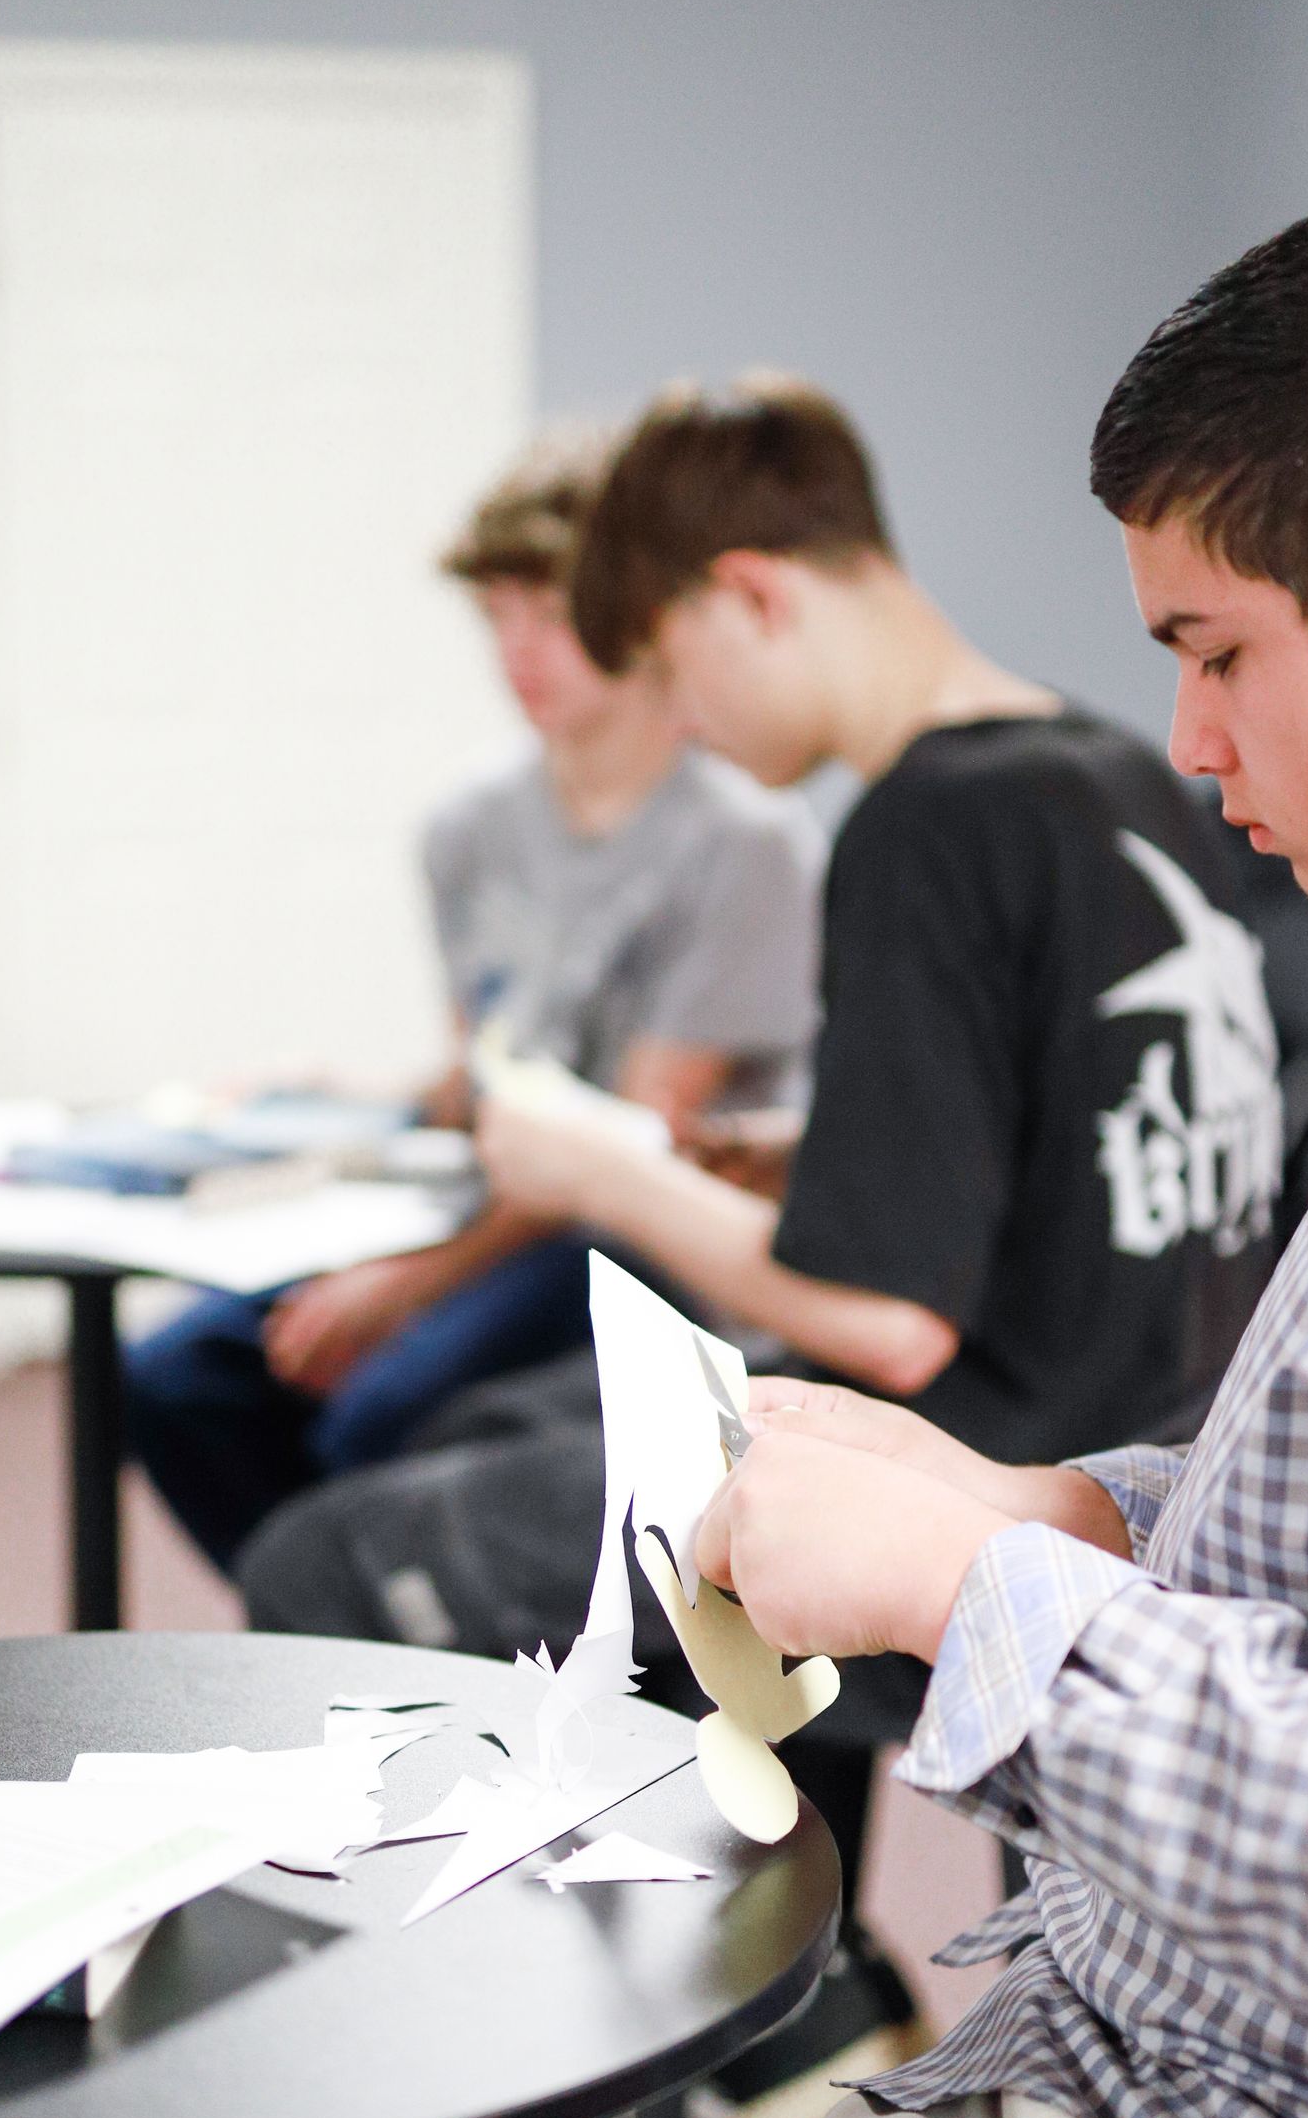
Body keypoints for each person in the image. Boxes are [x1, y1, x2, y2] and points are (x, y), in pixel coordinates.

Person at [261, 202, 1308, 2118]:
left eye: (1219, 653)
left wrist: (989, 1582)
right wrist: (1056, 1494)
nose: (1187, 738)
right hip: (1181, 2027)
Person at [239, 380, 1283, 2118]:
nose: (697, 725)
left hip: (990, 1488)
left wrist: (602, 1167)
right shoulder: (1118, 772)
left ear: (750, 596)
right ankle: (791, 2013)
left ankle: (656, 2040)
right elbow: (1043, 1148)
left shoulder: (918, 828)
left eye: (680, 667)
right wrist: (774, 1154)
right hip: (1164, 1434)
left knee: (339, 1549)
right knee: (504, 1436)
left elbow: (881, 1324)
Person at [125, 429, 824, 1579]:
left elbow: (622, 1144)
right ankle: (347, 1628)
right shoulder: (468, 828)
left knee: (375, 1416)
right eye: (496, 617)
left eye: (546, 613)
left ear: (637, 610)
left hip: (653, 1244)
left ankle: (380, 1618)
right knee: (176, 1380)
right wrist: (324, 1104)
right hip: (504, 1210)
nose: (519, 652)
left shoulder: (744, 841)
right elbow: (485, 1085)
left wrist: (399, 1288)